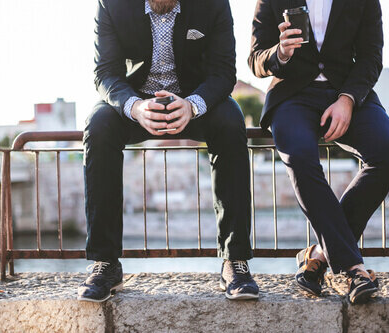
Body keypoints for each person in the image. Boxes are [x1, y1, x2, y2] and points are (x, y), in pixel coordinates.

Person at [78, 0, 259, 302]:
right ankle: (105, 263)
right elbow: (105, 73)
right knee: (98, 125)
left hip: (195, 101)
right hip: (136, 103)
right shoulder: (111, 4)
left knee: (231, 121)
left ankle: (235, 261)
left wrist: (193, 105)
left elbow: (224, 72)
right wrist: (135, 107)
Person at [249, 0, 389, 304]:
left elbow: (371, 56)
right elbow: (255, 60)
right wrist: (280, 53)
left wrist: (348, 98)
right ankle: (352, 268)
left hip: (347, 90)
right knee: (299, 155)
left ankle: (318, 255)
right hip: (292, 94)